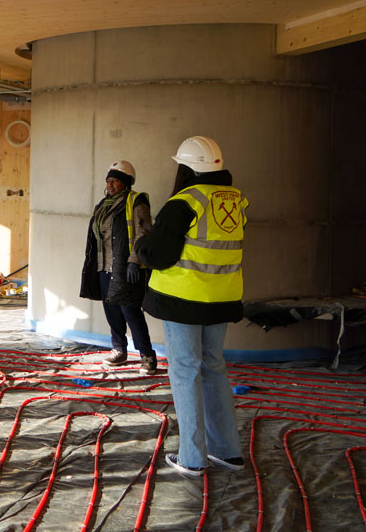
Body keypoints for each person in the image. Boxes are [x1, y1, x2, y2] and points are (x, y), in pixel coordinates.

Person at [136, 135, 248, 478]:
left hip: (183, 301)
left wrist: (141, 244)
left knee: (185, 373)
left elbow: (159, 254)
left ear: (185, 167)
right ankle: (227, 451)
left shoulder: (184, 202)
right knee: (213, 368)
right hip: (221, 299)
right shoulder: (236, 199)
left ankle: (193, 457)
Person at [80, 160, 158, 373]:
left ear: (126, 183)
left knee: (130, 311)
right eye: (108, 181)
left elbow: (143, 234)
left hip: (125, 268)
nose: (110, 185)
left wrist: (135, 261)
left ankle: (147, 356)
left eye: (115, 181)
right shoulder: (104, 204)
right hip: (104, 267)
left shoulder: (135, 202)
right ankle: (119, 350)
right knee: (112, 309)